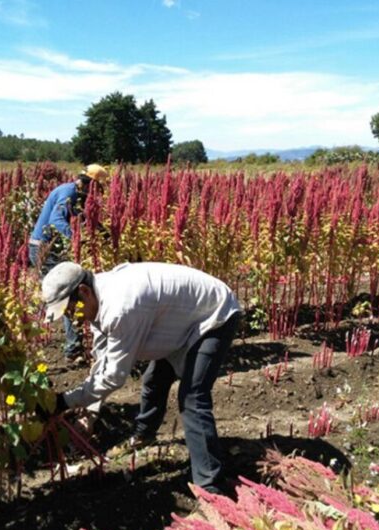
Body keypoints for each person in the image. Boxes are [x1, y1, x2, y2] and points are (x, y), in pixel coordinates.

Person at [41, 261, 242, 495]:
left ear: (83, 292)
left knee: (192, 399)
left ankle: (211, 487)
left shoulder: (121, 306)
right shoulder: (98, 297)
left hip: (214, 315)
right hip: (178, 320)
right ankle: (144, 435)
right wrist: (91, 411)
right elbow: (102, 361)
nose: (71, 318)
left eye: (69, 309)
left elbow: (114, 376)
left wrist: (64, 402)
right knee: (154, 380)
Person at [29, 164, 109, 363]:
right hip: (45, 249)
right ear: (89, 183)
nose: (97, 194)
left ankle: (40, 337)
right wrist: (77, 239)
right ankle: (71, 349)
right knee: (67, 296)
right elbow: (57, 220)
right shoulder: (69, 192)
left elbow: (83, 217)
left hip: (52, 248)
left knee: (59, 297)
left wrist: (103, 231)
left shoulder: (78, 196)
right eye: (97, 189)